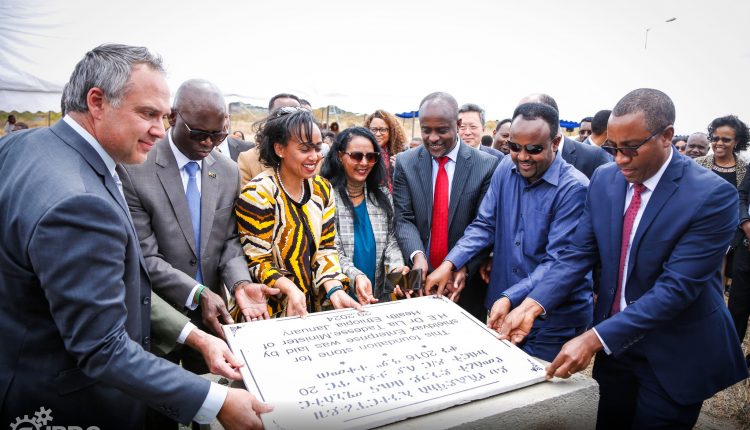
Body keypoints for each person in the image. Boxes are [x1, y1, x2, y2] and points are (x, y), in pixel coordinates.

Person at [0, 44, 269, 430]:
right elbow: (103, 348)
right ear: (97, 102)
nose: (160, 130)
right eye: (147, 114)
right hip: (66, 403)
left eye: (163, 116)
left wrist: (197, 337)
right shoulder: (80, 204)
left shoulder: (21, 145)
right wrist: (216, 401)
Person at [496, 89, 748, 429]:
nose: (619, 160)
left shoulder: (712, 195)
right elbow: (577, 255)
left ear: (667, 136)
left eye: (630, 148)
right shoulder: (605, 180)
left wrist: (593, 339)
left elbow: (676, 289)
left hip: (675, 350)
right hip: (617, 349)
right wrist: (532, 305)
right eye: (612, 148)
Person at [120, 79, 274, 365]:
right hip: (157, 320)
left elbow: (229, 239)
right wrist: (197, 292)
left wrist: (240, 283)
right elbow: (144, 256)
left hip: (212, 319)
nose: (208, 143)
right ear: (173, 117)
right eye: (199, 134)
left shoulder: (227, 171)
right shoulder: (136, 168)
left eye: (218, 135)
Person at [425, 103, 591, 361]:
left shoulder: (574, 188)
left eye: (533, 149)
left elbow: (558, 262)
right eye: (515, 147)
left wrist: (510, 297)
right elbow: (485, 224)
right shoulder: (505, 167)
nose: (522, 156)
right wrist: (450, 262)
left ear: (556, 142)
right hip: (502, 307)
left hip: (551, 319)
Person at [235, 107, 370, 317]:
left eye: (317, 148)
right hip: (266, 309)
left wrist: (334, 289)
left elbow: (326, 248)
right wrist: (290, 289)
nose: (314, 156)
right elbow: (258, 261)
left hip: (311, 307)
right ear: (280, 149)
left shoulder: (322, 188)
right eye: (305, 149)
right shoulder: (258, 193)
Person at [393, 92, 500, 321]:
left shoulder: (486, 166)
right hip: (416, 277)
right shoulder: (405, 162)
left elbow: (484, 225)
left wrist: (461, 266)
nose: (433, 138)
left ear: (457, 124)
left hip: (464, 284)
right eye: (426, 130)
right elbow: (403, 219)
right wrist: (417, 257)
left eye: (441, 130)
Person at [321, 127, 410, 303]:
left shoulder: (383, 195)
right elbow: (330, 249)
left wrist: (397, 270)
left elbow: (392, 241)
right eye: (356, 156)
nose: (364, 162)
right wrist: (356, 276)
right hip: (338, 299)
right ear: (340, 156)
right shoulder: (325, 196)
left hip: (378, 299)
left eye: (371, 157)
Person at [520, 94, 610, 179]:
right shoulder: (516, 158)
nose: (520, 123)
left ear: (551, 118)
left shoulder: (594, 157)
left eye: (527, 117)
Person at [238, 93, 301, 184]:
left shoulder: (314, 158)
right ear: (269, 119)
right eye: (282, 114)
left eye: (296, 115)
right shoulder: (248, 159)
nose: (290, 120)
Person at [363, 109, 407, 190]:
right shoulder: (361, 152)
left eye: (383, 130)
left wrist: (401, 168)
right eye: (374, 129)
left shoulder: (402, 152)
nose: (378, 134)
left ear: (391, 131)